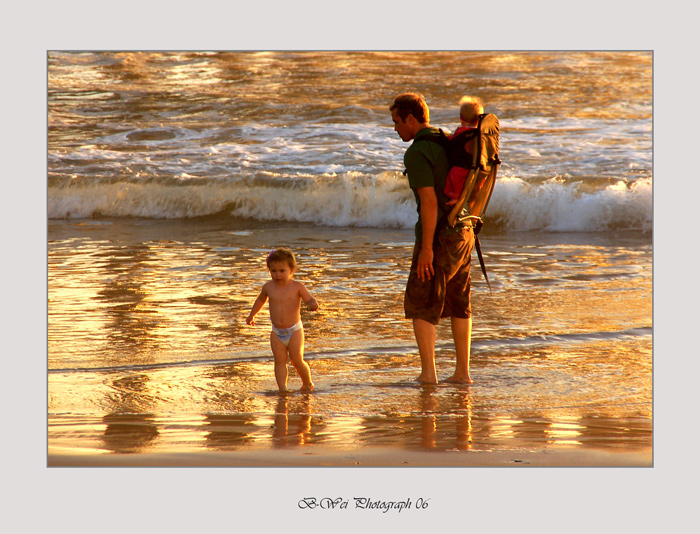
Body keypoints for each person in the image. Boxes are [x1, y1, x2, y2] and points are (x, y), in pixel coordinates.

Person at [390, 93, 475, 385]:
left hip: (439, 236)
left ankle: (429, 375)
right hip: (465, 232)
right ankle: (462, 374)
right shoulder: (447, 138)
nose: (396, 129)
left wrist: (426, 248)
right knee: (459, 302)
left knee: (422, 301)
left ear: (410, 119)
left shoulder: (417, 152)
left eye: (397, 123)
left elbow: (428, 202)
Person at [246, 247, 319, 392]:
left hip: (295, 330)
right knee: (279, 361)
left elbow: (309, 299)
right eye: (273, 271)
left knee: (296, 359)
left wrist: (312, 304)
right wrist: (252, 314)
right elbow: (260, 300)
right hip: (276, 332)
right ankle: (283, 389)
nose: (277, 275)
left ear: (291, 270)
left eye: (282, 271)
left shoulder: (297, 287)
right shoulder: (268, 287)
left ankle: (307, 383)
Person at [444, 96, 484, 204]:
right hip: (476, 173)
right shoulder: (480, 135)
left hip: (461, 170)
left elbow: (454, 141)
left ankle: (455, 197)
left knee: (453, 173)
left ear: (461, 119)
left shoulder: (463, 132)